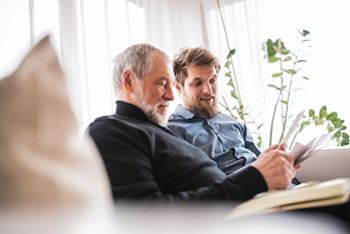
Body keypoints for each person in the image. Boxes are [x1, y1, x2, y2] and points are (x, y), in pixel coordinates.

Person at [87, 43, 296, 202]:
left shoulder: (159, 133)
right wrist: (255, 179)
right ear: (129, 81)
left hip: (255, 202)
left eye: (170, 84)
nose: (170, 96)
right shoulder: (111, 131)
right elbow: (146, 216)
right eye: (162, 84)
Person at [168, 47, 261, 175]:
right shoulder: (173, 131)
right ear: (178, 87)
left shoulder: (232, 122)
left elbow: (261, 159)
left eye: (212, 80)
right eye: (198, 83)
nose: (208, 90)